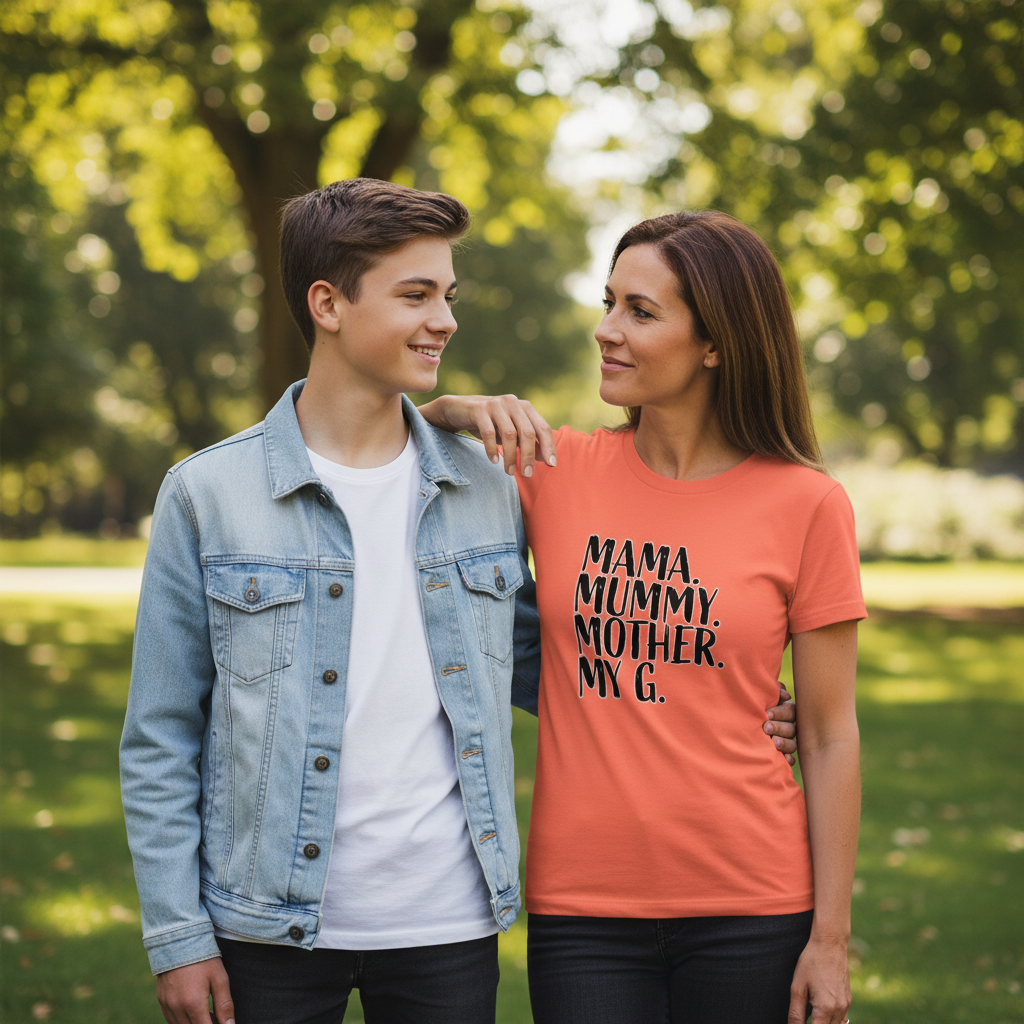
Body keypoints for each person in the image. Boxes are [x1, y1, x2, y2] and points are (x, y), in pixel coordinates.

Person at [120, 180, 797, 1024]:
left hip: (447, 925)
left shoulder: (484, 487)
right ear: (327, 304)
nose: (444, 319)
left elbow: (543, 655)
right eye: (416, 295)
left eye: (447, 295)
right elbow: (160, 734)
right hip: (266, 926)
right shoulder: (207, 494)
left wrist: (726, 703)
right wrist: (179, 934)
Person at [420, 209, 864, 1024]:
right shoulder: (553, 469)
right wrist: (460, 405)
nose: (606, 330)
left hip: (754, 905)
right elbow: (407, 449)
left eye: (641, 312)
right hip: (582, 910)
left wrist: (829, 940)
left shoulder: (808, 504)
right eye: (609, 302)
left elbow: (831, 734)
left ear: (717, 343)